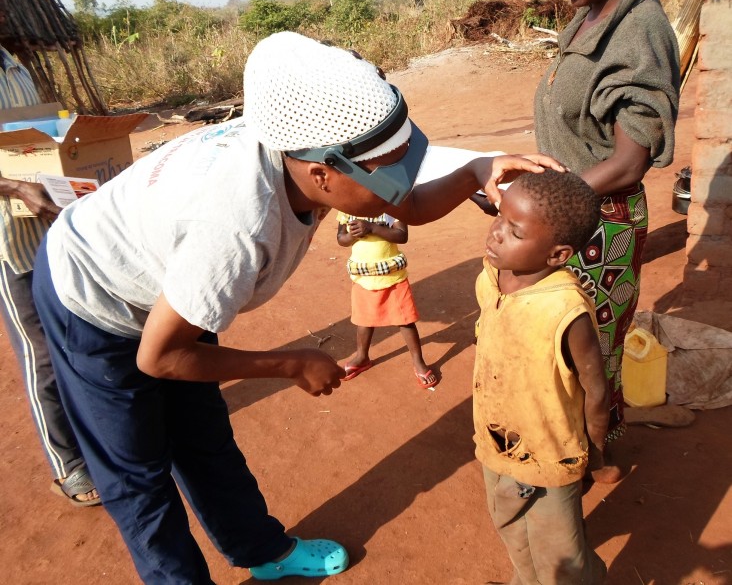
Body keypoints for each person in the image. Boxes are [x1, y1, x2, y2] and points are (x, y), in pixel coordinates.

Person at [30, 31, 563, 583]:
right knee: (137, 472)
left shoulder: (308, 147)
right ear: (321, 175)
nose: (401, 185)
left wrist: (479, 169)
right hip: (93, 294)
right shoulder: (234, 227)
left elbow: (409, 198)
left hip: (172, 287)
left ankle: (261, 550)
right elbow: (159, 357)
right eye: (390, 173)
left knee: (204, 437)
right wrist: (289, 362)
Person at [533, 0, 680, 475]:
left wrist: (543, 201)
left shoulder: (639, 32)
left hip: (602, 226)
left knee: (590, 351)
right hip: (564, 209)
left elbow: (627, 162)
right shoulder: (593, 13)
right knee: (555, 341)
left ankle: (597, 453)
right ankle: (566, 442)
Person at [474, 169, 610, 584]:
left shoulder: (565, 310)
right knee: (510, 526)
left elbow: (596, 389)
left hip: (552, 452)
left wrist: (596, 453)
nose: (497, 233)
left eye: (514, 231)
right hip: (497, 437)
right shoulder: (489, 278)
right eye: (500, 218)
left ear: (556, 255)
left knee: (558, 551)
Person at [0, 0, 99, 507]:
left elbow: (32, 133)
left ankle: (95, 431)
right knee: (41, 352)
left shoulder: (12, 61)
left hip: (52, 225)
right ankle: (69, 466)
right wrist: (17, 187)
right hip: (9, 241)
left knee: (79, 329)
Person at [336, 212, 437, 388]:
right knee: (363, 321)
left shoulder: (392, 205)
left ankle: (418, 361)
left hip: (392, 276)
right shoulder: (347, 207)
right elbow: (341, 238)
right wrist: (352, 234)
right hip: (364, 275)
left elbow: (401, 235)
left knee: (405, 321)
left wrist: (372, 228)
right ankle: (362, 356)